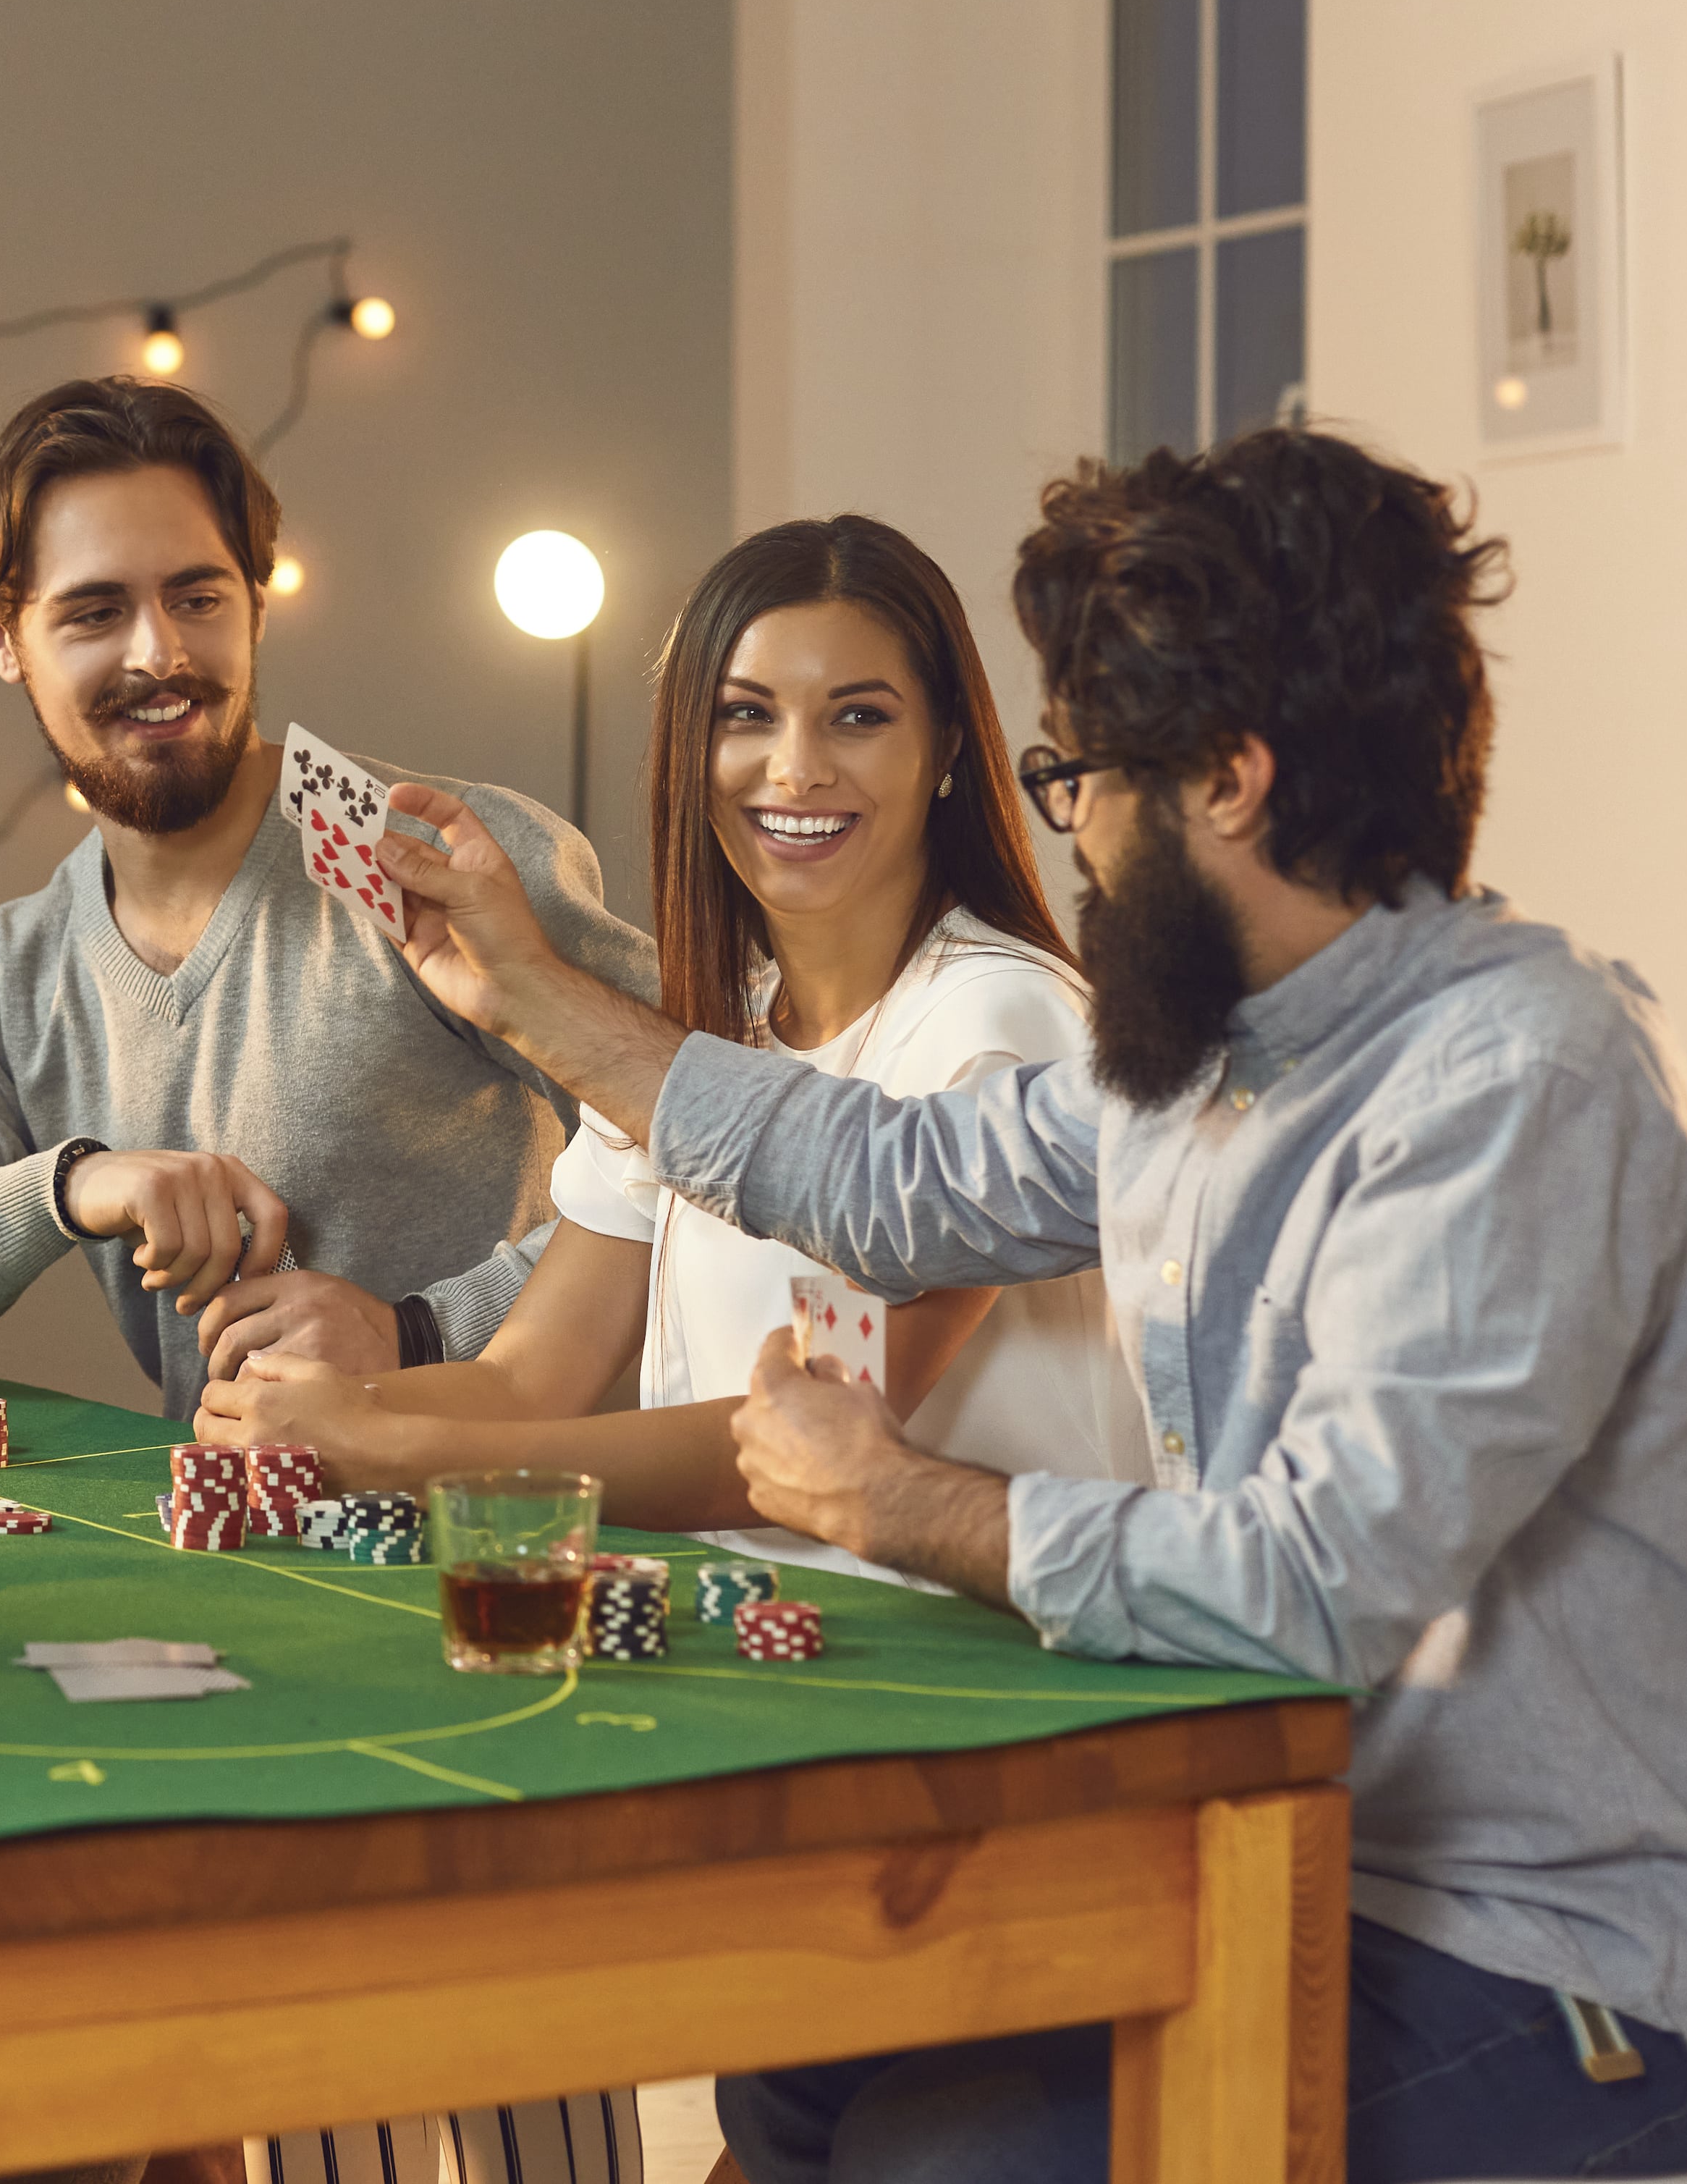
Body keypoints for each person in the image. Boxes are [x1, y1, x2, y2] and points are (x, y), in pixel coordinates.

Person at [365, 427, 1687, 2181]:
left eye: (1079, 780)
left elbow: (1307, 1592)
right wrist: (531, 998)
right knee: (798, 2070)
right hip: (1292, 1858)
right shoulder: (1208, 1044)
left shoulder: (1514, 1078)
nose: (1069, 834)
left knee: (940, 2150)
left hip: (1572, 1969)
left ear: (1224, 779)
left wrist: (895, 1498)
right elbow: (891, 1180)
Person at [198, 516, 1146, 1565]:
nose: (796, 769)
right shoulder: (698, 1041)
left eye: (859, 717)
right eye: (747, 715)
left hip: (978, 1667)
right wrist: (318, 1411)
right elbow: (525, 1378)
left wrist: (396, 1449)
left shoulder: (993, 1017)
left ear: (947, 750)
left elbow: (813, 1437)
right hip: (749, 1641)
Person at [0, 376, 659, 1418]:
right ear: (4, 638)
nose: (161, 654)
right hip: (228, 1544)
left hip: (508, 1538)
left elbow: (711, 1151)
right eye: (96, 611)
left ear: (257, 602)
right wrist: (68, 1186)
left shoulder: (440, 854)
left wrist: (423, 1331)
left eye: (198, 597)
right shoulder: (4, 978)